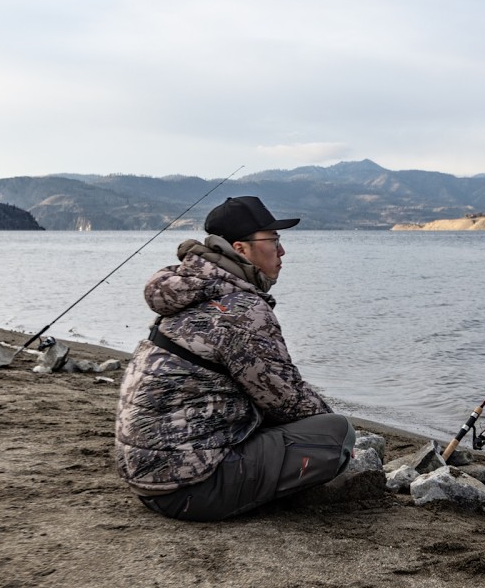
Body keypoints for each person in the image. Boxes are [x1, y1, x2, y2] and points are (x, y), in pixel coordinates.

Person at [114, 196, 354, 521]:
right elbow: (290, 401)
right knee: (337, 433)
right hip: (189, 488)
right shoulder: (241, 309)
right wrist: (344, 437)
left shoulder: (191, 292)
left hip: (146, 475)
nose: (282, 252)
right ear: (240, 249)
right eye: (274, 241)